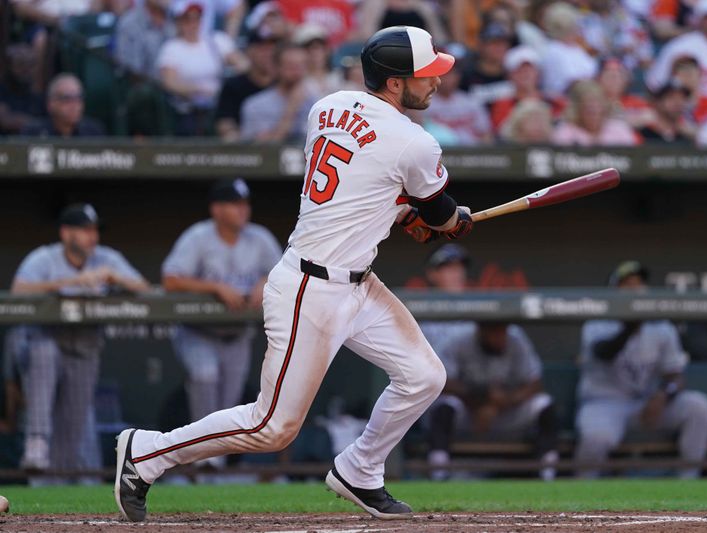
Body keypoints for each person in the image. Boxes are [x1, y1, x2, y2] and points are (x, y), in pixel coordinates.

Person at [115, 25, 472, 522]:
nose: (436, 81)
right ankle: (146, 452)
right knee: (272, 426)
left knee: (423, 376)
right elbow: (440, 215)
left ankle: (361, 470)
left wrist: (405, 212)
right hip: (313, 288)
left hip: (357, 284)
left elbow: (363, 187)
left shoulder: (326, 107)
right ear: (394, 83)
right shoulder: (416, 142)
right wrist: (448, 222)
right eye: (425, 74)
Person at [11, 204, 149, 473]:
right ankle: (37, 442)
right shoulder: (45, 258)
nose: (92, 237)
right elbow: (19, 291)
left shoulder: (106, 258)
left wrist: (115, 277)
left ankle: (55, 485)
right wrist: (67, 283)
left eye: (94, 230)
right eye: (85, 230)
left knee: (72, 428)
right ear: (66, 233)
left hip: (84, 346)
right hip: (47, 338)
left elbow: (145, 289)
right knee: (43, 351)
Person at [161, 178, 283, 468]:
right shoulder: (198, 237)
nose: (242, 210)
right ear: (216, 209)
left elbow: (284, 270)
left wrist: (266, 281)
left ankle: (215, 464)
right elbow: (171, 279)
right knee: (205, 375)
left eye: (245, 204)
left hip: (236, 335)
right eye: (234, 204)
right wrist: (214, 288)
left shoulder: (260, 238)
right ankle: (202, 458)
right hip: (198, 332)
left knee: (229, 405)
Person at [574, 260, 707, 479]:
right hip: (604, 404)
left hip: (645, 406)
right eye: (627, 284)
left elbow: (675, 375)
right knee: (596, 438)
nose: (634, 289)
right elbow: (604, 352)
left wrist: (663, 394)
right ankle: (580, 495)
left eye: (638, 284)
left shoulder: (661, 327)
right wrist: (630, 327)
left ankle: (689, 484)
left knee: (698, 406)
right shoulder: (597, 323)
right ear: (614, 291)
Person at [427, 322, 559, 481]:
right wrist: (482, 398)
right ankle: (438, 473)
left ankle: (548, 475)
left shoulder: (516, 338)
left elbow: (535, 383)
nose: (501, 337)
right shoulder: (459, 340)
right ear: (481, 330)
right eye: (495, 331)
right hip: (469, 414)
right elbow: (440, 382)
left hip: (507, 414)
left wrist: (506, 401)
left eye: (503, 331)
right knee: (445, 406)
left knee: (543, 404)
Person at [156, 0, 249, 136]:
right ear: (178, 21)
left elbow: (244, 65)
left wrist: (230, 82)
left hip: (220, 105)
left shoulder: (216, 40)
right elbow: (169, 82)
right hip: (187, 109)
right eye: (187, 18)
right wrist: (198, 91)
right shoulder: (171, 48)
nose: (193, 23)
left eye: (197, 18)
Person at [215, 28, 283, 142]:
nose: (267, 53)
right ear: (249, 51)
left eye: (271, 48)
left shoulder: (284, 82)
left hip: (283, 144)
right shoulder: (234, 85)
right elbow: (224, 123)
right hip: (248, 147)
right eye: (261, 48)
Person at [239, 44, 318, 142]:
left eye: (302, 65)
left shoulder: (317, 103)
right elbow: (263, 149)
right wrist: (291, 108)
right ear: (277, 67)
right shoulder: (256, 105)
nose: (297, 72)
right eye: (291, 66)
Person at [551, 79, 639, 146]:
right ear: (577, 109)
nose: (593, 110)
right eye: (587, 105)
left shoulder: (619, 130)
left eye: (597, 104)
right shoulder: (565, 132)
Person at [20, 74, 105, 137]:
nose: (74, 105)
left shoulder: (93, 132)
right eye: (67, 98)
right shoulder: (34, 132)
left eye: (78, 98)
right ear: (51, 104)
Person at [114, 0, 174, 79]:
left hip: (183, 86)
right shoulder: (131, 23)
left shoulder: (177, 18)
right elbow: (132, 73)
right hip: (148, 87)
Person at [638, 78, 696, 143]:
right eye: (671, 97)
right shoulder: (643, 133)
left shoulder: (687, 137)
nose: (678, 103)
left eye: (682, 98)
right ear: (658, 102)